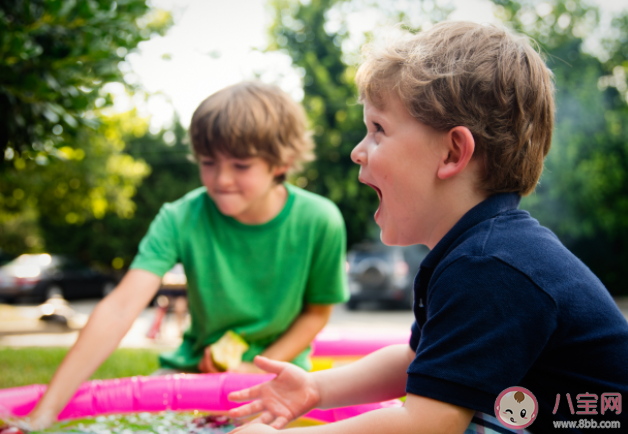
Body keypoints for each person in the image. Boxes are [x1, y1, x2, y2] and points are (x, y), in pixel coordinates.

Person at [226, 22, 628, 434]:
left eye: (378, 130)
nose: (357, 151)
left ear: (453, 152)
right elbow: (415, 360)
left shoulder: (491, 266)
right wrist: (314, 388)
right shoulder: (477, 253)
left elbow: (427, 425)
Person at [27, 81, 349, 428]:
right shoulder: (180, 217)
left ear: (281, 162)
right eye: (208, 162)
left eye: (241, 165)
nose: (221, 179)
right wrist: (43, 413)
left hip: (280, 377)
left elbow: (316, 313)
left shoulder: (320, 220)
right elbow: (120, 308)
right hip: (192, 372)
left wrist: (255, 367)